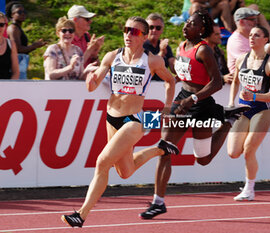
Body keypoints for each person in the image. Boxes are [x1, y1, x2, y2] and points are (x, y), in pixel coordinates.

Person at [61, 16, 177, 228]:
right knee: (125, 172)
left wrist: (167, 109)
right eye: (126, 30)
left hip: (136, 120)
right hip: (111, 117)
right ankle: (159, 149)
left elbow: (171, 81)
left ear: (143, 36)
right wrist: (91, 80)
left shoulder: (152, 60)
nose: (128, 35)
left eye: (134, 32)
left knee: (101, 163)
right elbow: (92, 87)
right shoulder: (112, 56)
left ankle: (81, 214)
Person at [139, 9, 250, 220]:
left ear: (201, 29)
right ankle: (158, 202)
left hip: (201, 106)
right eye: (187, 22)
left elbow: (216, 82)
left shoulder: (204, 50)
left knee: (203, 159)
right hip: (183, 100)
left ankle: (228, 121)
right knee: (164, 149)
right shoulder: (181, 46)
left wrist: (193, 99)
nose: (185, 25)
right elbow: (185, 75)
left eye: (191, 24)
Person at [227, 26, 270, 201]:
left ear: (266, 39)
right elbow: (235, 82)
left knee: (249, 150)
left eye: (257, 35)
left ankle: (249, 189)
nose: (252, 38)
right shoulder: (242, 58)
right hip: (244, 109)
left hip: (262, 109)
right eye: (250, 35)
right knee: (233, 152)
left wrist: (255, 95)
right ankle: (263, 124)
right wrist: (231, 103)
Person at [227, 7, 270, 75]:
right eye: (252, 19)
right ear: (241, 21)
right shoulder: (236, 41)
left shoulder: (249, 36)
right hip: (242, 81)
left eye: (256, 19)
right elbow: (252, 64)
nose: (256, 22)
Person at [5, 1, 46, 79]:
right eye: (19, 12)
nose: (23, 14)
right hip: (16, 64)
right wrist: (34, 46)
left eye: (24, 11)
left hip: (21, 63)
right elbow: (17, 49)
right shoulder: (13, 28)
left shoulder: (17, 28)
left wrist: (35, 46)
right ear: (12, 15)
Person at [143, 13, 175, 81]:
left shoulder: (165, 46)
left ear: (162, 30)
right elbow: (149, 68)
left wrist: (181, 55)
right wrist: (161, 52)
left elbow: (173, 69)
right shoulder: (141, 45)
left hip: (161, 85)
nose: (154, 30)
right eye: (151, 27)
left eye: (158, 28)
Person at [0, 11, 19, 79]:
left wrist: (10, 86)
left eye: (1, 25)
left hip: (7, 86)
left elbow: (16, 72)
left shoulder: (11, 44)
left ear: (5, 26)